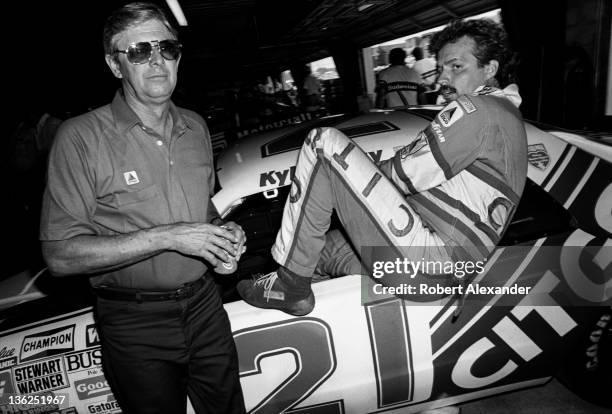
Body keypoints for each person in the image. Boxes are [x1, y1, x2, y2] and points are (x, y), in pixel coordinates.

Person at [237, 18, 526, 319]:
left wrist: (340, 184)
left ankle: (290, 284)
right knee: (324, 248)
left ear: (490, 69)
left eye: (456, 67)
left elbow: (400, 175)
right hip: (439, 271)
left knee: (322, 143)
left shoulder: (477, 110)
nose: (443, 78)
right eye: (441, 68)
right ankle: (305, 297)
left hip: (426, 261)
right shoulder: (507, 116)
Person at [40, 3, 246, 413]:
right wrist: (168, 237)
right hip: (135, 324)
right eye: (138, 51)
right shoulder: (80, 138)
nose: (156, 61)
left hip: (206, 307)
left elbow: (204, 210)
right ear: (115, 66)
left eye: (167, 48)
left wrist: (223, 233)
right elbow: (60, 255)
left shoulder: (195, 127)